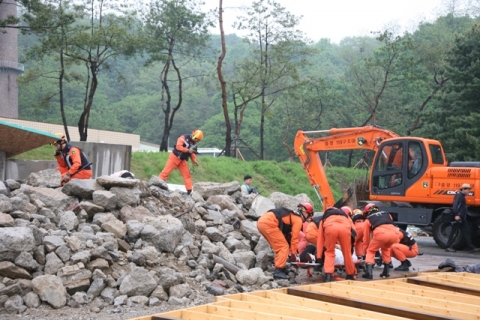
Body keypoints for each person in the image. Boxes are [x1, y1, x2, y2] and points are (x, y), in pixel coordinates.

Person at [257, 203, 313, 280]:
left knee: (280, 246)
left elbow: (287, 235)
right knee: (283, 247)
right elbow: (295, 238)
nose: (308, 218)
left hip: (263, 222)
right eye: (309, 215)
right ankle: (278, 271)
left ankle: (281, 267)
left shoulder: (291, 215)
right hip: (269, 223)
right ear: (305, 212)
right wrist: (293, 254)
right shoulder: (298, 219)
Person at [362, 203, 403, 279]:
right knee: (386, 248)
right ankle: (386, 272)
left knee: (371, 251)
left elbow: (366, 238)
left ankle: (369, 273)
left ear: (367, 212)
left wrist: (365, 251)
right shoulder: (387, 214)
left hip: (381, 234)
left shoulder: (368, 220)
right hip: (395, 233)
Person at [316, 206, 356, 282]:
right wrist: (351, 248)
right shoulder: (345, 215)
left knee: (329, 251)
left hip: (330, 227)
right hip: (345, 227)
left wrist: (319, 257)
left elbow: (320, 239)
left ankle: (328, 275)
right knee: (347, 253)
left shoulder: (325, 217)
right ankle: (350, 274)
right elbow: (354, 231)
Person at [159, 129, 203, 195]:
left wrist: (194, 161)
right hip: (174, 157)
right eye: (197, 140)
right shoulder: (183, 137)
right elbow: (178, 147)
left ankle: (189, 190)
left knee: (187, 175)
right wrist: (188, 150)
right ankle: (158, 184)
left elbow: (192, 153)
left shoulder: (193, 143)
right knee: (165, 172)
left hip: (182, 160)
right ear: (194, 136)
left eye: (198, 140)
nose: (197, 141)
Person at [445, 183, 475, 253]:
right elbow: (455, 206)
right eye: (468, 189)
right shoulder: (459, 196)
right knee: (454, 232)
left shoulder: (462, 196)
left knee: (467, 232)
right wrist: (457, 215)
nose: (469, 191)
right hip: (459, 218)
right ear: (463, 189)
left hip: (462, 218)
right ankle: (448, 246)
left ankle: (470, 247)